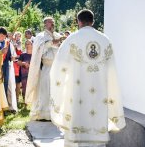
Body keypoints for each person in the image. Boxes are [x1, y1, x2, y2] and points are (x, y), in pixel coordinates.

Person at [50, 10, 126, 147]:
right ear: (93, 21)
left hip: (77, 93)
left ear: (79, 21)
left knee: (77, 126)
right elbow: (112, 71)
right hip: (100, 93)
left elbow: (58, 68)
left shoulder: (72, 39)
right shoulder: (105, 40)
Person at [26, 16, 61, 121]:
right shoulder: (40, 36)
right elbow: (38, 50)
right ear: (45, 24)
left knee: (55, 90)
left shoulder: (57, 35)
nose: (52, 24)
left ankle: (55, 113)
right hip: (45, 67)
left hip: (56, 67)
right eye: (50, 22)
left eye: (53, 22)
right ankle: (43, 114)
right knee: (45, 90)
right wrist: (51, 43)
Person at [0, 27, 18, 112]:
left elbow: (13, 55)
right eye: (0, 35)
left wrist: (12, 57)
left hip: (6, 66)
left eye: (3, 35)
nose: (1, 37)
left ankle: (7, 106)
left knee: (7, 85)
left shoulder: (8, 43)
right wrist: (1, 52)